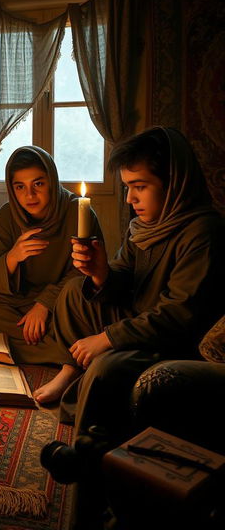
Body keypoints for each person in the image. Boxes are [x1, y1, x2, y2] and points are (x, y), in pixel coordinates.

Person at [36, 126, 225, 441]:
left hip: (170, 342)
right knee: (72, 292)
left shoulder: (203, 233)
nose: (130, 198)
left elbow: (178, 315)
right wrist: (100, 273)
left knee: (104, 368)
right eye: (126, 186)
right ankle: (70, 369)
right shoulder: (143, 226)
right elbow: (125, 277)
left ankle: (88, 444)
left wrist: (107, 338)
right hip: (137, 319)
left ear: (174, 184)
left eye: (140, 186)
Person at [0, 146, 102, 372]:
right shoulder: (7, 216)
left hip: (62, 302)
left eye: (38, 184)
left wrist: (45, 303)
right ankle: (66, 353)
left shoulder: (78, 212)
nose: (29, 195)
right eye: (20, 187)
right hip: (19, 301)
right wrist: (13, 257)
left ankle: (20, 347)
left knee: (79, 295)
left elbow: (87, 270)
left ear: (52, 181)